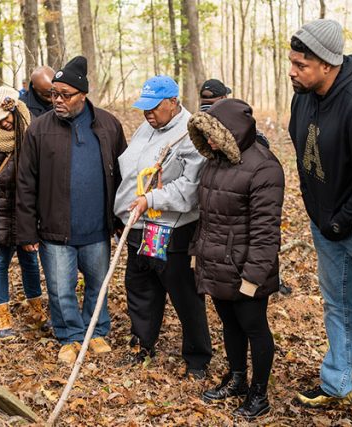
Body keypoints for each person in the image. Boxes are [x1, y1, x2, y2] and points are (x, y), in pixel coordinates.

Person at [286, 19, 352, 412]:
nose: (293, 71)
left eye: (301, 65)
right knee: (336, 303)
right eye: (292, 62)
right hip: (324, 223)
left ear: (328, 65)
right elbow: (301, 152)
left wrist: (339, 221)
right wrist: (318, 213)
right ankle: (338, 380)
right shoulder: (303, 96)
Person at [16, 56, 127, 364]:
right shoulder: (39, 130)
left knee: (98, 283)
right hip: (55, 229)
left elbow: (123, 176)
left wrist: (119, 219)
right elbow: (26, 183)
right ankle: (70, 336)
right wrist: (26, 229)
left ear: (83, 94)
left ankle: (96, 331)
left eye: (65, 95)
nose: (58, 101)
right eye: (53, 94)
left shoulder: (108, 125)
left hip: (97, 227)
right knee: (60, 289)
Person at [188, 98, 284, 420]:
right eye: (207, 134)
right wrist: (197, 253)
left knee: (254, 328)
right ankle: (238, 378)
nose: (210, 141)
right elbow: (207, 217)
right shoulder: (215, 161)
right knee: (230, 324)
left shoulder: (264, 167)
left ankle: (259, 393)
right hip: (216, 264)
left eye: (215, 134)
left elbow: (266, 232)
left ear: (233, 131)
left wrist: (253, 278)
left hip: (246, 269)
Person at [115, 76, 211, 377]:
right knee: (140, 286)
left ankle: (197, 358)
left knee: (183, 293)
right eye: (144, 108)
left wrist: (151, 198)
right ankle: (142, 343)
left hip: (173, 228)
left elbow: (191, 186)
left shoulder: (190, 132)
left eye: (154, 108)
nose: (148, 114)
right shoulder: (147, 128)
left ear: (173, 102)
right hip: (138, 226)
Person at [0, 86, 48, 339]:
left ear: (15, 109)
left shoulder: (34, 132)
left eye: (6, 118)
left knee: (30, 261)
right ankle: (3, 319)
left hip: (27, 212)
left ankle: (37, 313)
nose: (4, 124)